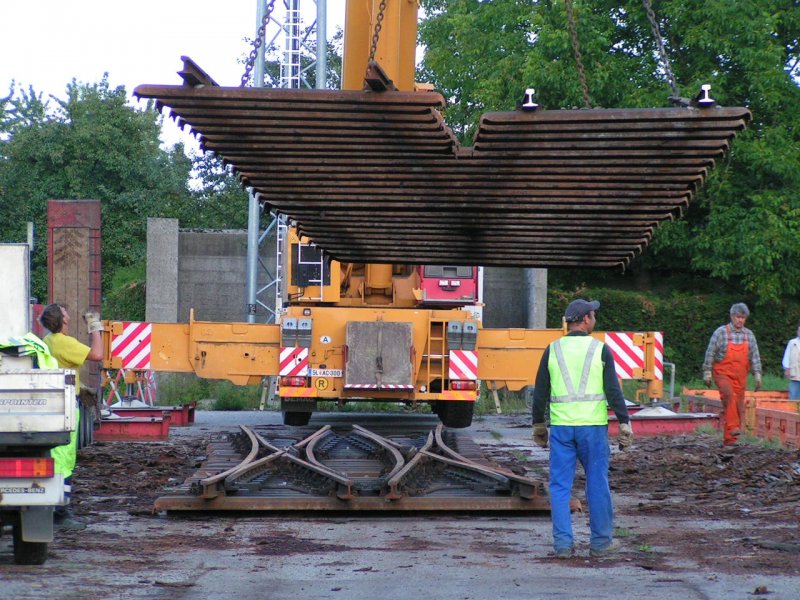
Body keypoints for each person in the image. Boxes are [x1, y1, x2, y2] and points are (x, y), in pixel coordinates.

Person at [531, 299, 633, 559]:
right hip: (592, 429)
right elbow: (613, 389)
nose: (595, 318)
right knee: (597, 484)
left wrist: (538, 425)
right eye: (593, 314)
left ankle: (563, 545)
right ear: (586, 319)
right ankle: (600, 543)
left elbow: (541, 390)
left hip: (562, 429)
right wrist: (624, 421)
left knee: (560, 487)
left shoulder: (552, 350)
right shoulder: (599, 350)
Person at [40, 303, 104, 530]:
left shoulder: (47, 341)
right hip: (65, 406)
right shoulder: (63, 342)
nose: (69, 315)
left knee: (58, 459)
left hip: (55, 403)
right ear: (63, 320)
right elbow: (97, 354)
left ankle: (57, 509)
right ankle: (61, 513)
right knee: (64, 461)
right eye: (66, 314)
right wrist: (94, 328)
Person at [702, 302, 762, 447]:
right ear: (732, 316)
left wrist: (757, 374)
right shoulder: (721, 332)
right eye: (738, 317)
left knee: (737, 406)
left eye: (743, 318)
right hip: (722, 373)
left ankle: (730, 442)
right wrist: (707, 372)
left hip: (740, 376)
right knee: (729, 396)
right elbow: (711, 352)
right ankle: (734, 428)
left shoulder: (749, 335)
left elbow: (755, 356)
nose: (740, 320)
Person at [782, 322, 800, 400]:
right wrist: (786, 368)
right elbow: (786, 356)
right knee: (793, 396)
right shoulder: (792, 342)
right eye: (799, 330)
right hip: (794, 373)